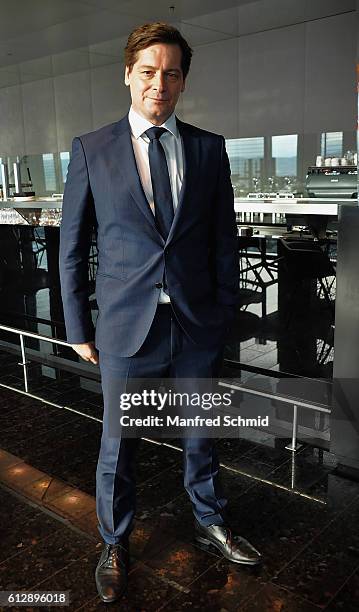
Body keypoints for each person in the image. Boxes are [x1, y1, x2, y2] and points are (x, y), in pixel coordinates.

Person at [59, 21, 261, 605]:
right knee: (118, 443)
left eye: (171, 72)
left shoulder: (207, 148)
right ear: (128, 75)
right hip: (126, 325)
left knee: (203, 434)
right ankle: (115, 541)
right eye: (148, 71)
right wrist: (77, 327)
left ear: (183, 81)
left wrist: (224, 311)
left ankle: (211, 521)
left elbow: (224, 240)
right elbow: (73, 247)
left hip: (195, 323)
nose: (159, 82)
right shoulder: (92, 149)